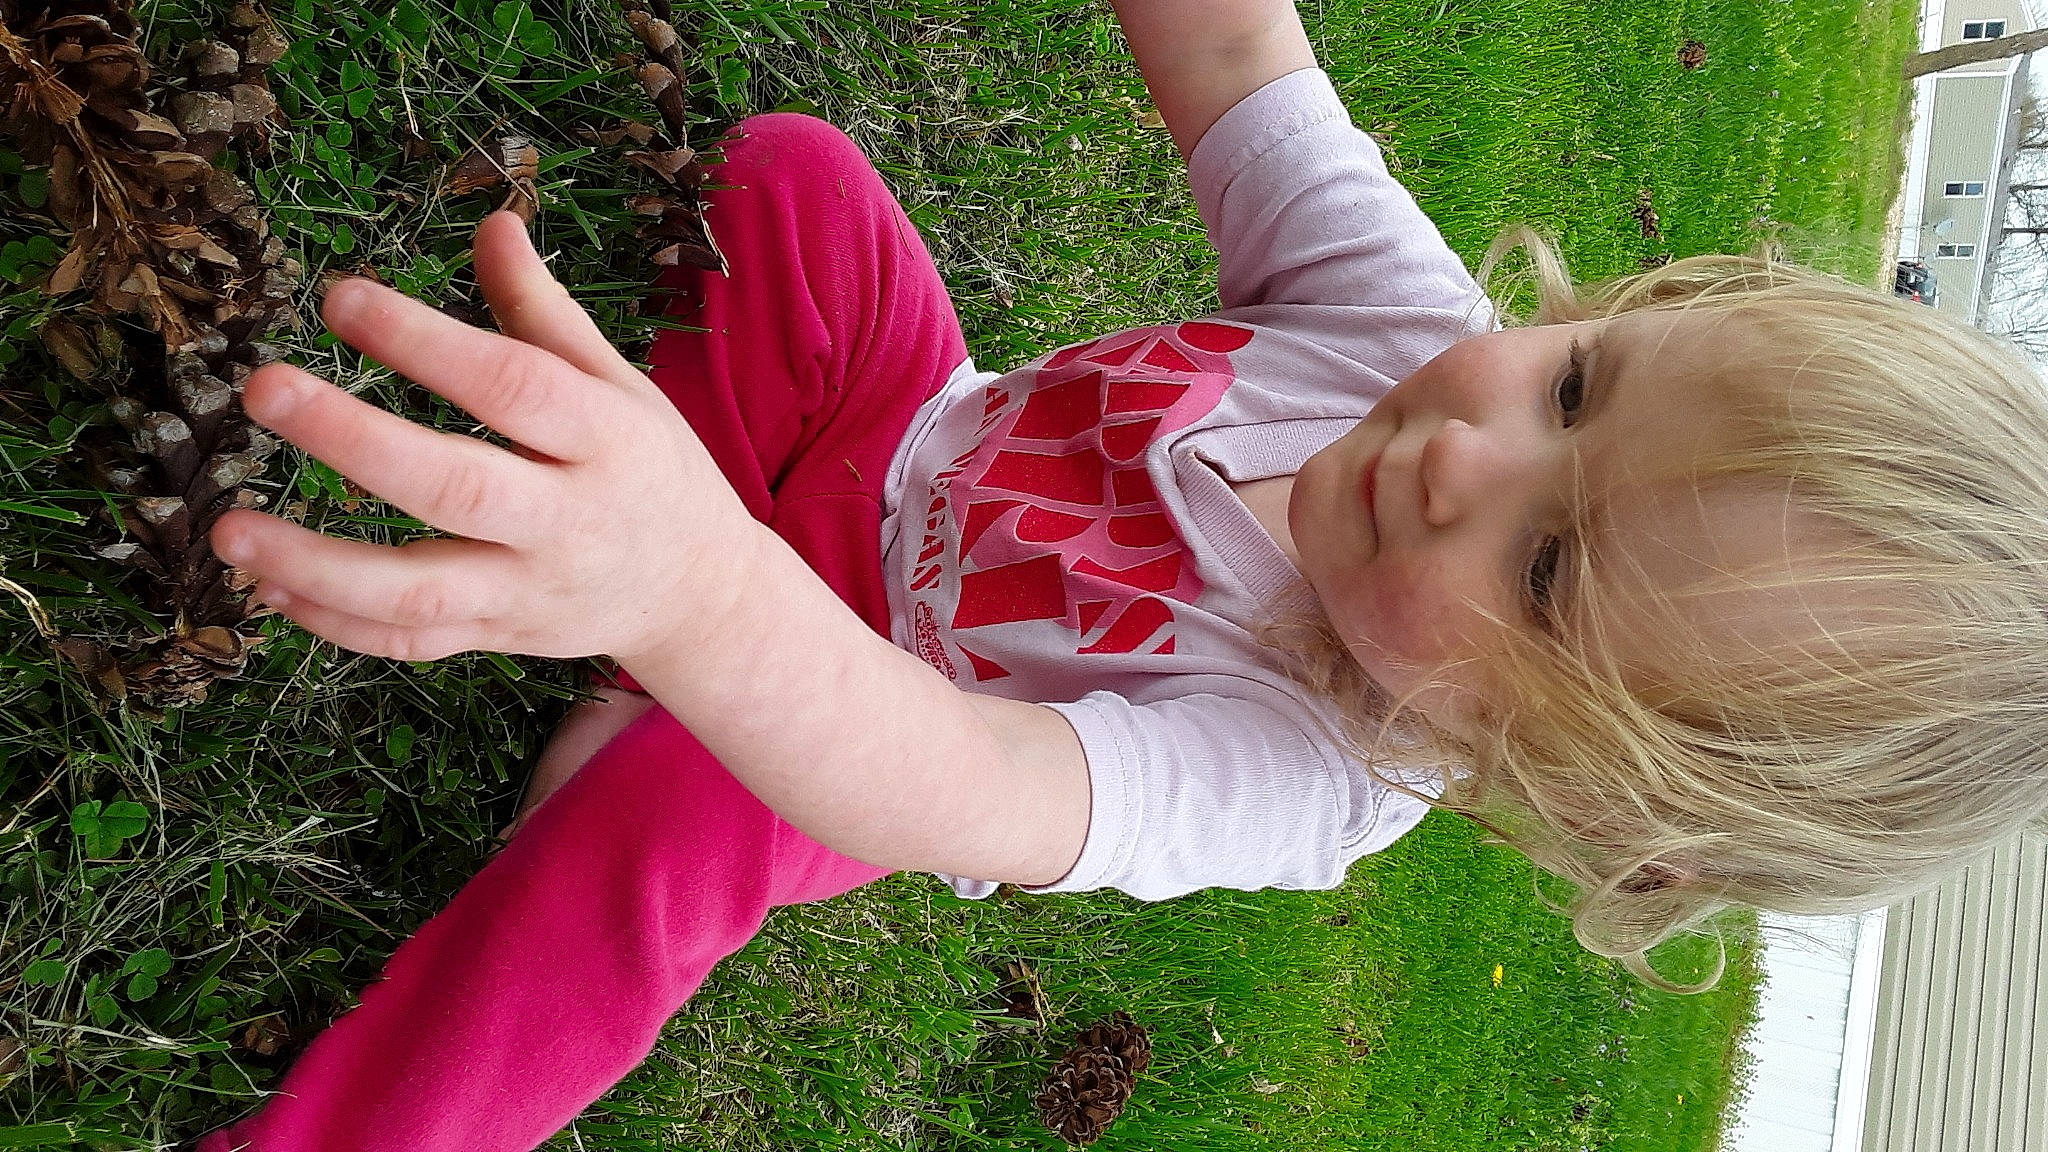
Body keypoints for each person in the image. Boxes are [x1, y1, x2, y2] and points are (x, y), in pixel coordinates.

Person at [192, 0, 2048, 1147]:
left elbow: (960, 781)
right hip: (899, 440)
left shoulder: (1309, 774)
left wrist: (696, 594)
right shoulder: (1397, 320)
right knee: (801, 189)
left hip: (875, 708)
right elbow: (1239, 53)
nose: (1462, 454)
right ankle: (639, 579)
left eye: (1549, 569)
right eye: (1578, 386)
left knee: (689, 817)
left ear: (1576, 780)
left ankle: (366, 1111)